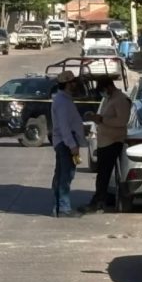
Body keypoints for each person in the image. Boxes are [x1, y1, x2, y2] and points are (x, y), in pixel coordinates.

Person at [80, 76, 132, 213]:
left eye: (103, 90)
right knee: (102, 174)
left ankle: (98, 201)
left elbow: (122, 121)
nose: (103, 93)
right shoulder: (109, 99)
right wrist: (95, 118)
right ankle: (100, 200)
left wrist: (102, 119)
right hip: (104, 141)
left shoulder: (120, 99)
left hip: (113, 141)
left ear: (109, 87)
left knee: (103, 175)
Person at [50, 70, 88, 218]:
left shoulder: (65, 99)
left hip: (66, 141)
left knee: (62, 175)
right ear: (66, 84)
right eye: (73, 82)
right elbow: (64, 126)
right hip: (66, 142)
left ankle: (58, 208)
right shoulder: (62, 102)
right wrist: (72, 145)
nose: (75, 85)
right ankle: (63, 208)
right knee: (65, 176)